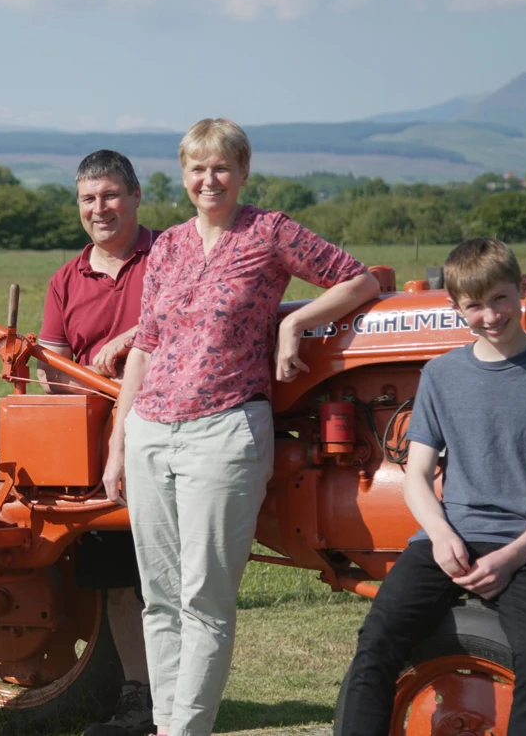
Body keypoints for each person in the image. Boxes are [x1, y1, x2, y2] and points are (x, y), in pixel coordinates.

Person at [107, 118, 380, 736]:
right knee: (160, 598)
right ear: (183, 176)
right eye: (198, 168)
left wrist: (292, 325)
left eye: (222, 167)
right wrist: (119, 442)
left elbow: (358, 279)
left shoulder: (269, 231)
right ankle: (165, 722)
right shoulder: (169, 247)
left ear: (243, 172)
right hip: (152, 431)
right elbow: (145, 347)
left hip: (224, 431)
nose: (210, 179)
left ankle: (187, 730)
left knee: (204, 598)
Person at [337, 238, 526, 736]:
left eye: (500, 298)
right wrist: (440, 536)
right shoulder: (441, 375)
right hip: (449, 539)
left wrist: (509, 559)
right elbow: (417, 477)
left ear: (523, 289)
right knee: (376, 643)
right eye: (474, 305)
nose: (490, 315)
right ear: (454, 307)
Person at [36, 149, 157, 736]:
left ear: (136, 196)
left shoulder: (169, 257)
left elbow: (191, 320)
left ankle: (180, 696)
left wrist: (132, 341)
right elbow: (52, 367)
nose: (99, 208)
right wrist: (64, 379)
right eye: (88, 199)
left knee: (170, 577)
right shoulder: (66, 278)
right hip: (92, 443)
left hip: (164, 430)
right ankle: (140, 697)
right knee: (117, 580)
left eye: (110, 195)